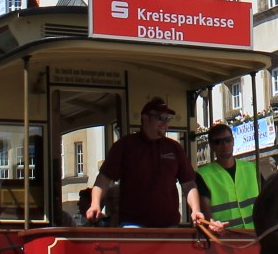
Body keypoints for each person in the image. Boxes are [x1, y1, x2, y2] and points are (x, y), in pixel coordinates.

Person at [86, 97, 210, 230]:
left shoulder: (174, 148)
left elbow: (188, 183)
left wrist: (196, 210)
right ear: (145, 118)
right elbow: (104, 178)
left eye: (167, 118)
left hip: (169, 225)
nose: (164, 122)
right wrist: (95, 204)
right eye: (160, 117)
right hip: (133, 225)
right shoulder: (125, 146)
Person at [196, 122, 260, 230]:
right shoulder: (203, 175)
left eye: (228, 140)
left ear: (233, 141)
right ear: (211, 146)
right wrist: (211, 224)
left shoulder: (252, 168)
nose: (224, 145)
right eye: (218, 142)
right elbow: (204, 210)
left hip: (255, 234)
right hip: (225, 237)